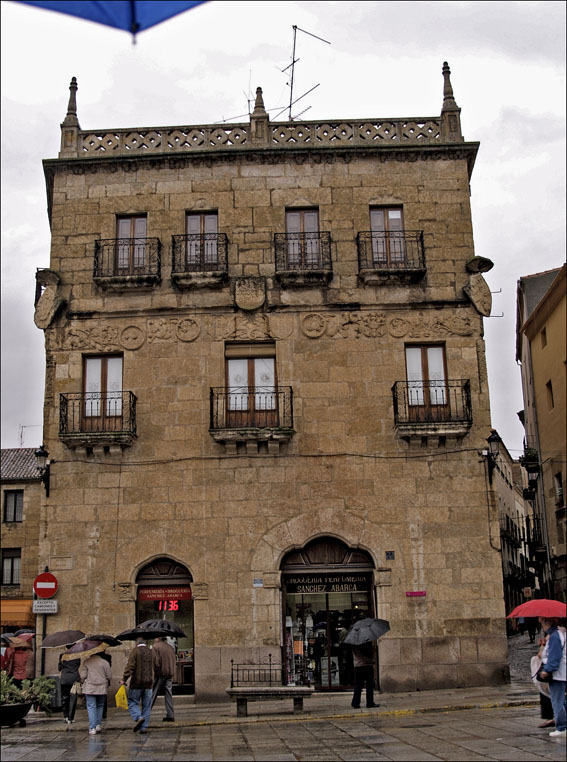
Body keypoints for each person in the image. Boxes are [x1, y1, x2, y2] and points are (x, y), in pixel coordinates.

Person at [537, 617, 566, 738]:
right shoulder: (559, 634)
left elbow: (555, 656)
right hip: (563, 672)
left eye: (542, 622)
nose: (541, 625)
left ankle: (562, 727)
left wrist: (547, 670)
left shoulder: (554, 636)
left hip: (558, 674)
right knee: (562, 700)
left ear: (547, 622)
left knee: (557, 700)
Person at [120, 636, 154, 733]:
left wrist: (124, 679)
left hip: (137, 683)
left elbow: (130, 666)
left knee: (132, 702)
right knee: (146, 706)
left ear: (136, 643)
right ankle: (143, 727)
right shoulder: (151, 652)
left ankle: (138, 717)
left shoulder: (135, 651)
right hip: (149, 683)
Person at [79, 652, 111, 736]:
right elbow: (109, 676)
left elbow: (83, 675)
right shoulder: (105, 662)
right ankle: (98, 725)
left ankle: (92, 727)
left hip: (90, 688)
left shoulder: (87, 662)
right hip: (102, 688)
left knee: (91, 706)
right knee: (100, 706)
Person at [151, 637, 176, 722]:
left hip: (160, 674)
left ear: (157, 638)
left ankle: (145, 713)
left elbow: (155, 662)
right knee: (168, 693)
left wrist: (155, 673)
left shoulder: (155, 647)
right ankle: (170, 714)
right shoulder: (170, 647)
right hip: (169, 673)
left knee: (153, 693)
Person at [350, 642, 379, 709]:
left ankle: (355, 702)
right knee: (369, 685)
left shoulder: (353, 644)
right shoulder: (365, 644)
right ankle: (370, 702)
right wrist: (372, 659)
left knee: (358, 685)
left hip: (357, 666)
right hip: (367, 666)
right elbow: (366, 657)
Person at [58, 645, 80, 724]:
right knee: (73, 698)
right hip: (74, 678)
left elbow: (59, 667)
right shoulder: (77, 656)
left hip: (65, 678)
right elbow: (78, 665)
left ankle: (65, 716)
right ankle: (71, 717)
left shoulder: (63, 655)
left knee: (65, 697)